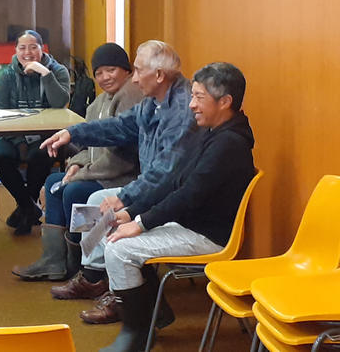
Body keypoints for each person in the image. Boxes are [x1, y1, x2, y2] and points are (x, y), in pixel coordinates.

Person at [94, 62, 255, 351]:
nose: (191, 105)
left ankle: (137, 335)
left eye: (199, 98)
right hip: (191, 223)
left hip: (208, 236)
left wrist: (141, 223)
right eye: (192, 96)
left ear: (225, 102)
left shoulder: (229, 144)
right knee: (115, 235)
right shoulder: (211, 132)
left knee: (119, 247)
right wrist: (130, 212)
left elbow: (188, 195)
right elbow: (172, 181)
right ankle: (154, 313)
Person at [40, 40, 198, 308]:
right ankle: (93, 276)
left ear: (158, 75)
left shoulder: (182, 111)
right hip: (152, 189)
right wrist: (73, 133)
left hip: (169, 199)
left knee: (103, 207)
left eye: (138, 71)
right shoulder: (154, 102)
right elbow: (120, 126)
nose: (134, 80)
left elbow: (166, 172)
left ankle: (121, 294)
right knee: (95, 202)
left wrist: (126, 197)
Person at [11, 43, 143, 280]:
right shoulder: (99, 103)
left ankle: (83, 267)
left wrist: (82, 174)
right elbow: (87, 148)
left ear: (127, 70)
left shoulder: (130, 96)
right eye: (99, 72)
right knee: (55, 182)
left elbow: (121, 156)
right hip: (99, 172)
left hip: (122, 176)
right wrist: (76, 164)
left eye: (111, 70)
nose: (104, 77)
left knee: (74, 190)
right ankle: (54, 260)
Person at [0, 30, 71, 235]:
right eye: (22, 47)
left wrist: (45, 73)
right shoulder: (7, 76)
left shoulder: (58, 71)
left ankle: (24, 210)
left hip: (48, 136)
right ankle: (28, 207)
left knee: (41, 155)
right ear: (16, 50)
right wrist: (20, 142)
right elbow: (1, 113)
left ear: (42, 49)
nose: (28, 52)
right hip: (11, 135)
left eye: (33, 47)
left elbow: (60, 104)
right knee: (0, 156)